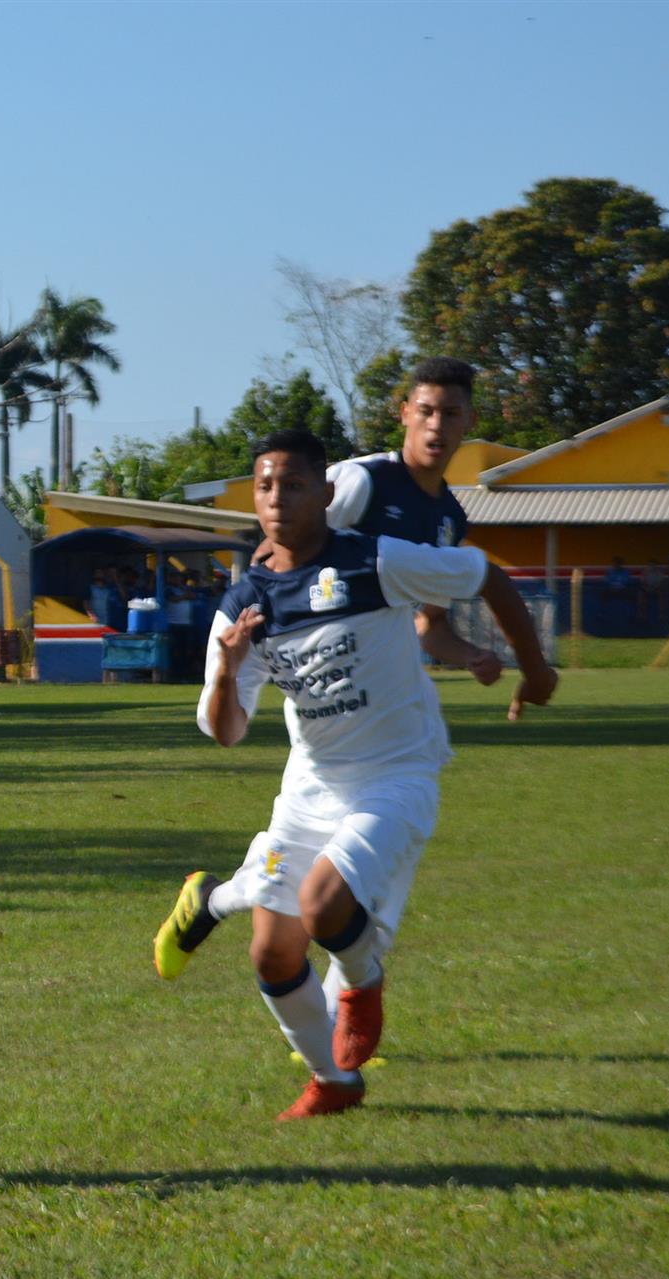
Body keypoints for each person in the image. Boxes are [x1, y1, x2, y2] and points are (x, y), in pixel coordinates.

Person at [167, 430, 555, 1118]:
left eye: (292, 485)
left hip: (397, 775)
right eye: (264, 486)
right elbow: (225, 732)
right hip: (311, 789)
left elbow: (484, 575)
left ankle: (361, 983)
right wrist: (227, 668)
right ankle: (334, 1082)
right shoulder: (243, 606)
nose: (277, 499)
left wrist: (537, 667)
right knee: (272, 955)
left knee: (321, 909)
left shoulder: (377, 562)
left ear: (325, 492)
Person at [155, 357, 521, 988]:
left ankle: (332, 1031)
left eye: (451, 414)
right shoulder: (360, 483)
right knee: (308, 889)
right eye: (426, 411)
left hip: (387, 713)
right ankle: (335, 1025)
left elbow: (426, 624)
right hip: (316, 697)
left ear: (469, 423)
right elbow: (278, 550)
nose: (437, 426)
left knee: (344, 892)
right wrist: (259, 626)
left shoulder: (448, 518)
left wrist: (474, 657)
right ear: (404, 413)